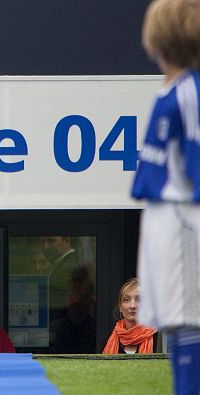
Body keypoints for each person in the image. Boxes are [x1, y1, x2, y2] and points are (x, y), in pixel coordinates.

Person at [133, 0, 200, 393]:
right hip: (161, 214)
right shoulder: (171, 88)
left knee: (187, 314)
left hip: (183, 215)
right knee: (170, 316)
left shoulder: (190, 90)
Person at [40, 236, 96, 353]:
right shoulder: (59, 265)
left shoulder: (69, 265)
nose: (46, 247)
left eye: (51, 241)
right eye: (43, 241)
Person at [102, 278, 158, 354]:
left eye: (138, 300)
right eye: (126, 300)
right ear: (120, 307)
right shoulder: (109, 340)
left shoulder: (157, 339)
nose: (132, 306)